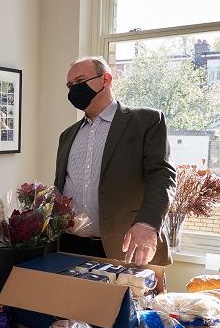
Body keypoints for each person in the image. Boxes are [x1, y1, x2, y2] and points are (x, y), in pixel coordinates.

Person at [54, 56, 176, 267]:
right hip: (70, 248)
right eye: (70, 85)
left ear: (106, 79)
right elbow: (61, 188)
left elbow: (162, 175)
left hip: (127, 248)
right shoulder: (67, 135)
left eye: (81, 81)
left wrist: (148, 224)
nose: (74, 89)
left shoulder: (146, 121)